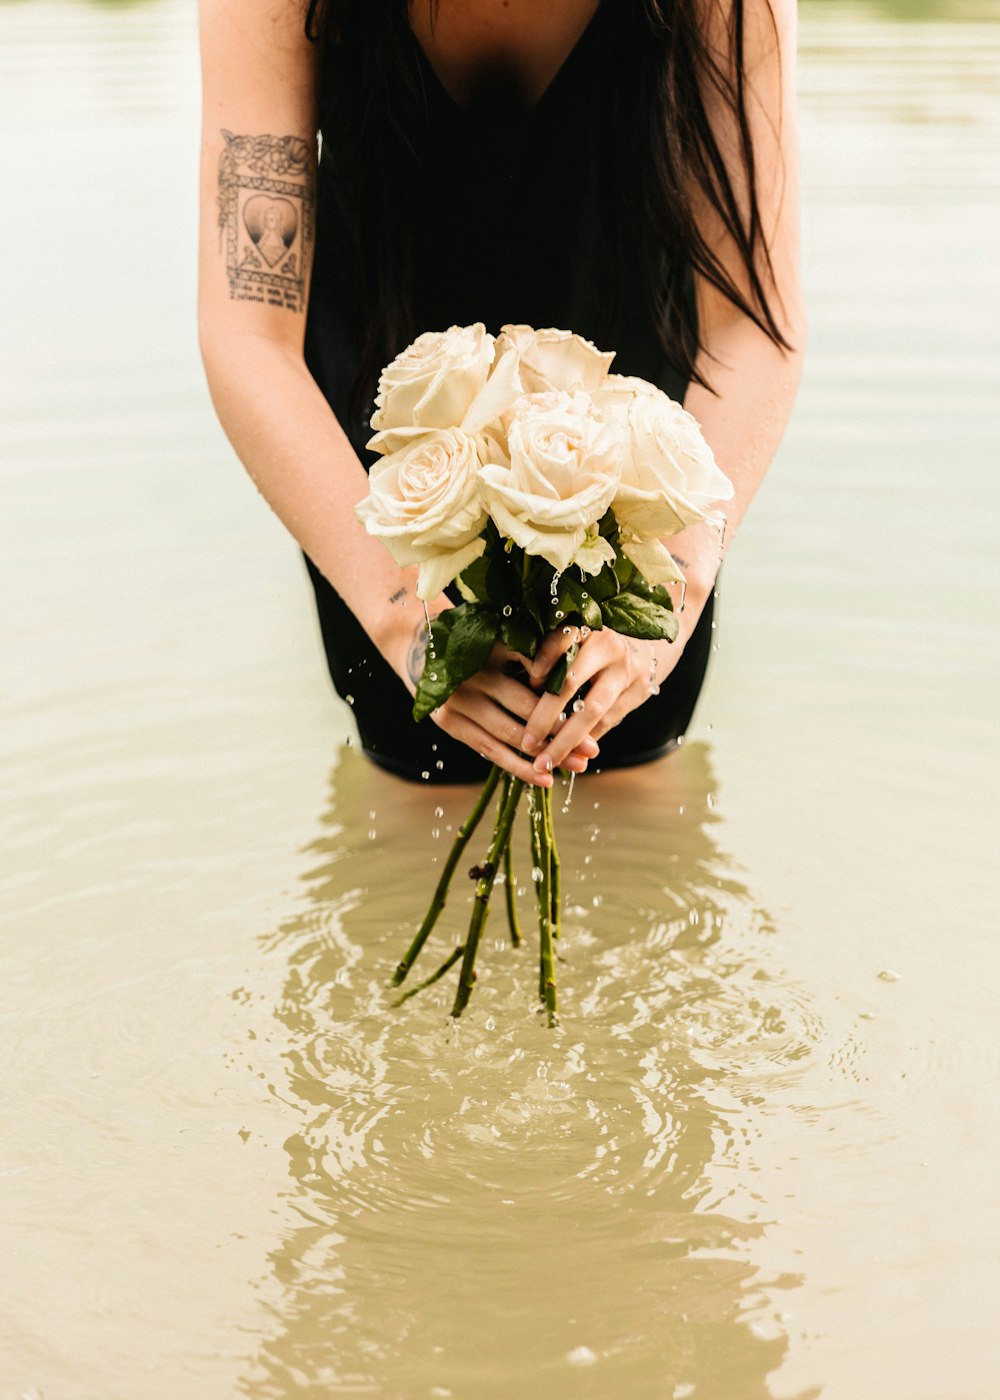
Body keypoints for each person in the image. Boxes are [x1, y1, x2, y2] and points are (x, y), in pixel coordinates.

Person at [198, 0, 805, 789]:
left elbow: (752, 328)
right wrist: (403, 619)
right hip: (383, 504)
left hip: (636, 483)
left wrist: (670, 597)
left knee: (640, 850)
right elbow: (250, 340)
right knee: (407, 839)